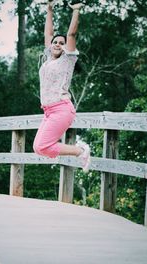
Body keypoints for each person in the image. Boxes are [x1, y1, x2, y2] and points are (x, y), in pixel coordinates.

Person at [33, 0, 91, 172]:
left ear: (65, 47)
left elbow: (71, 35)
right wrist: (49, 9)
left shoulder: (67, 59)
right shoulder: (48, 59)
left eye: (61, 42)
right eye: (55, 42)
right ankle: (79, 150)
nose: (58, 43)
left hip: (62, 109)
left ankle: (81, 150)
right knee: (38, 148)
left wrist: (76, 11)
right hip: (49, 111)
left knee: (43, 146)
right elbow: (48, 33)